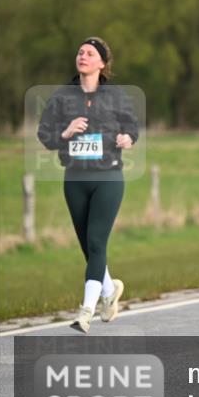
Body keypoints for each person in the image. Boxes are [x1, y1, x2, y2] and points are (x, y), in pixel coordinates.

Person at [37, 37, 139, 334]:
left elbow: (132, 128)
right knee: (89, 247)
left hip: (108, 177)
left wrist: (128, 139)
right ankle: (109, 292)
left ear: (102, 63)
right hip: (75, 179)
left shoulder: (117, 96)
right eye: (80, 52)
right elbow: (45, 136)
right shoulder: (61, 97)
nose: (82, 56)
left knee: (96, 243)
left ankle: (85, 312)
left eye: (90, 53)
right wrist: (66, 132)